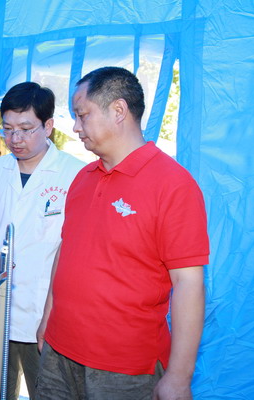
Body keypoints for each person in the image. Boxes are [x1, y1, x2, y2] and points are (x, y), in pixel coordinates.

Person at [35, 67, 210, 400]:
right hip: (58, 353)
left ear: (118, 111)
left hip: (123, 370)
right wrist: (47, 317)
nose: (75, 127)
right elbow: (66, 250)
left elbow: (188, 283)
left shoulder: (173, 185)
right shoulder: (83, 178)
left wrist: (179, 376)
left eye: (82, 115)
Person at [0, 82, 84, 399]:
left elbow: (75, 253)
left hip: (44, 316)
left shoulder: (76, 175)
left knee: (48, 392)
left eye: (26, 129)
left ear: (48, 126)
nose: (15, 139)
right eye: (8, 129)